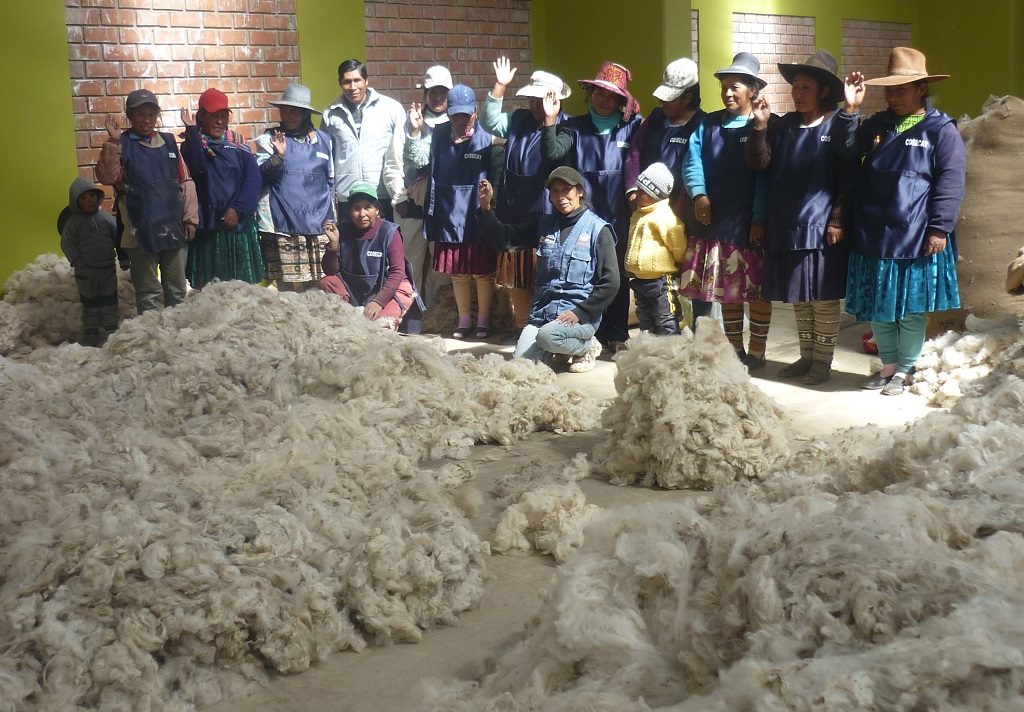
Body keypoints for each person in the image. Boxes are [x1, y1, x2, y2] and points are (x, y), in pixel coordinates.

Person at [832, 47, 965, 396]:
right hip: (873, 231)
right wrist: (850, 109)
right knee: (879, 306)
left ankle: (906, 370)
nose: (893, 96)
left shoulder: (941, 129)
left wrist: (940, 227)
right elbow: (846, 150)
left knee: (909, 310)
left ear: (921, 89)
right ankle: (888, 366)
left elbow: (951, 180)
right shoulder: (878, 124)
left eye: (901, 89)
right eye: (889, 90)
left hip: (914, 234)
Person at [747, 50, 852, 385]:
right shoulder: (783, 126)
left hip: (821, 226)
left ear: (824, 91)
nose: (798, 92)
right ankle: (806, 356)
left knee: (822, 296)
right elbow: (760, 163)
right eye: (796, 86)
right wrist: (760, 126)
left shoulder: (838, 124)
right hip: (786, 224)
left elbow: (848, 176)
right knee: (800, 296)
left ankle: (822, 361)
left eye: (806, 87)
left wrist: (837, 219)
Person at [541, 61, 643, 352]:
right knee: (586, 273)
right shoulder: (574, 128)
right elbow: (552, 155)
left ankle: (617, 334)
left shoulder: (634, 127)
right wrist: (550, 120)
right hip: (584, 216)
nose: (604, 101)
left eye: (611, 97)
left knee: (616, 275)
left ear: (620, 100)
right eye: (599, 94)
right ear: (591, 94)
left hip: (619, 214)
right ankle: (588, 334)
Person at [478, 167, 619, 373]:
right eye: (555, 191)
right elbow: (505, 240)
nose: (561, 196)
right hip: (542, 317)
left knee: (548, 337)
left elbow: (611, 281)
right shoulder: (543, 224)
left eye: (566, 189)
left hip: (579, 318)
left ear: (579, 191)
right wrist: (485, 209)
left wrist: (581, 312)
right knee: (522, 367)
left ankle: (587, 347)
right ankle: (561, 349)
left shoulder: (599, 230)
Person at [680, 52, 771, 369]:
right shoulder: (707, 124)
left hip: (747, 223)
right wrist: (699, 195)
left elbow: (764, 177)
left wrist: (759, 217)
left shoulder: (763, 125)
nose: (728, 93)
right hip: (712, 221)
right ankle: (735, 351)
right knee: (728, 291)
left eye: (735, 87)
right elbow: (692, 161)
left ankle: (757, 351)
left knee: (755, 291)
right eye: (724, 87)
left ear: (753, 91)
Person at [481, 57, 571, 333]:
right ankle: (523, 329)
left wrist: (550, 122)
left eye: (540, 100)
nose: (534, 106)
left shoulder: (567, 128)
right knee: (516, 279)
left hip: (544, 217)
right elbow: (489, 122)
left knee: (542, 279)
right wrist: (500, 86)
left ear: (555, 101)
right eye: (532, 100)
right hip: (513, 212)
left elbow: (552, 154)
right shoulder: (518, 119)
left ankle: (543, 330)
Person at [96, 88, 199, 314]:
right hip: (139, 233)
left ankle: (177, 332)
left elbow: (186, 181)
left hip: (173, 228)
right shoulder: (121, 144)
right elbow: (107, 177)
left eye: (151, 114)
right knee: (148, 293)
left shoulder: (169, 142)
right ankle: (150, 333)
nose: (146, 120)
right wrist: (112, 142)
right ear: (130, 116)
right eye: (140, 114)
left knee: (177, 291)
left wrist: (191, 218)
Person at [422, 84, 496, 339]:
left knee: (483, 272)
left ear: (476, 111)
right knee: (459, 272)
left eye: (466, 115)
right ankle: (464, 320)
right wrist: (414, 132)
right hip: (449, 212)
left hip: (477, 211)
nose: (461, 120)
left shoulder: (488, 137)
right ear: (448, 113)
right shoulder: (438, 134)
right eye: (456, 115)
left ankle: (484, 320)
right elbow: (424, 164)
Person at [179, 88, 264, 288]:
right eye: (214, 116)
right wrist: (192, 133)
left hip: (238, 226)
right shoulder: (192, 144)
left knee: (241, 288)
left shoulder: (239, 144)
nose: (219, 122)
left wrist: (238, 209)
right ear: (202, 116)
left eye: (223, 116)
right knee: (208, 288)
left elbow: (253, 180)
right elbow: (197, 169)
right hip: (208, 227)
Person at [255, 83, 336, 292]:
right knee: (286, 289)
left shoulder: (324, 141)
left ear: (305, 114)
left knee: (318, 286)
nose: (289, 115)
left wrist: (331, 219)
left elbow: (330, 182)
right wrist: (278, 157)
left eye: (295, 111)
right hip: (282, 224)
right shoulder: (269, 139)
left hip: (317, 223)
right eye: (285, 110)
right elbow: (259, 177)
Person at [318, 182, 421, 332]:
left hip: (385, 289)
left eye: (367, 207)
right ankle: (347, 316)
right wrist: (333, 246)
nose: (362, 214)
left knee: (378, 327)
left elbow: (397, 272)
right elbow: (330, 271)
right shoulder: (343, 230)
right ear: (350, 211)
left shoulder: (389, 232)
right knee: (327, 282)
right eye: (356, 208)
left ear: (377, 209)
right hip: (354, 290)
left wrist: (379, 302)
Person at [322, 59, 407, 222]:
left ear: (366, 80)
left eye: (357, 80)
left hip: (381, 195)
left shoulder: (391, 109)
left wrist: (399, 193)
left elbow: (399, 153)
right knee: (349, 240)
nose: (352, 87)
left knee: (384, 238)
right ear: (340, 83)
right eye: (347, 82)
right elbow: (328, 159)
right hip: (348, 197)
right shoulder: (330, 114)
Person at [397, 65, 454, 307]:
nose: (438, 97)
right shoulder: (410, 122)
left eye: (442, 92)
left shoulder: (458, 121)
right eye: (433, 92)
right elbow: (398, 162)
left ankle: (436, 313)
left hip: (445, 208)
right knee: (410, 263)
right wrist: (399, 198)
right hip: (414, 207)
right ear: (425, 94)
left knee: (441, 267)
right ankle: (412, 314)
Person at [58, 178, 123, 346]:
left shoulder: (106, 218)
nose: (90, 200)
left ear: (98, 197)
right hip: (86, 272)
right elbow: (67, 243)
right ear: (76, 202)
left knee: (110, 300)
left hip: (108, 269)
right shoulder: (73, 223)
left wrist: (122, 256)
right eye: (84, 198)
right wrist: (77, 262)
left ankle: (111, 330)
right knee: (90, 302)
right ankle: (91, 332)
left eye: (92, 196)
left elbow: (118, 236)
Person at [624, 162, 687, 335]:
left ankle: (671, 348)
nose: (638, 194)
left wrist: (680, 261)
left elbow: (677, 244)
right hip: (639, 279)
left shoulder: (664, 216)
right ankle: (651, 348)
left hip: (661, 281)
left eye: (643, 192)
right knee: (645, 318)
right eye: (638, 189)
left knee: (665, 316)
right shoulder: (638, 213)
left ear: (655, 195)